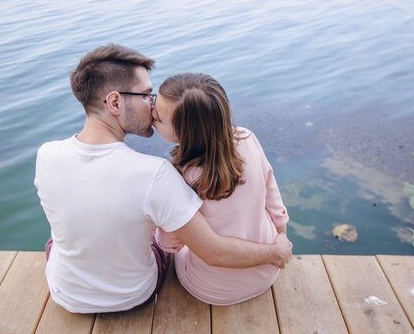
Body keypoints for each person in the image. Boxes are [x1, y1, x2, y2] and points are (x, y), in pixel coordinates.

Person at [34, 44, 292, 313]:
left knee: (55, 241)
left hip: (65, 294)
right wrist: (278, 246)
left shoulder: (46, 154)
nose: (153, 106)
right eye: (147, 95)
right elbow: (211, 249)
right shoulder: (155, 173)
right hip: (133, 295)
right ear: (114, 102)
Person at [153, 72, 290, 306]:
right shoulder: (247, 139)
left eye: (159, 118)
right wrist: (281, 238)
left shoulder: (180, 176)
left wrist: (157, 228)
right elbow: (274, 200)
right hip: (267, 272)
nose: (152, 114)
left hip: (212, 288)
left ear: (183, 134)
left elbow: (170, 244)